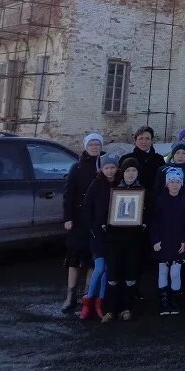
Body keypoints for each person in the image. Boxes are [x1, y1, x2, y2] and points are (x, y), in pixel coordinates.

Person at [101, 157, 147, 323]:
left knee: (130, 273)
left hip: (133, 239)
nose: (131, 174)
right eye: (127, 170)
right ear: (122, 172)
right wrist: (107, 224)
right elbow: (106, 211)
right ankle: (111, 309)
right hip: (115, 238)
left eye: (134, 170)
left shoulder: (142, 191)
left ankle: (127, 308)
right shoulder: (114, 190)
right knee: (113, 274)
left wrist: (143, 223)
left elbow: (146, 213)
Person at [61, 132, 102, 313]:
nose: (94, 147)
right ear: (86, 146)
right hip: (78, 219)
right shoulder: (76, 167)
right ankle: (71, 295)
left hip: (96, 219)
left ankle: (88, 295)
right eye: (91, 144)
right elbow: (68, 194)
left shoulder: (104, 165)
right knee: (74, 260)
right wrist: (68, 218)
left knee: (92, 260)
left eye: (97, 144)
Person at [78, 152, 118, 320]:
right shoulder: (96, 184)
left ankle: (100, 302)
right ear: (101, 168)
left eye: (112, 167)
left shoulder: (118, 184)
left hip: (113, 233)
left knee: (107, 270)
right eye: (106, 167)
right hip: (98, 233)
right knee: (99, 268)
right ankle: (88, 301)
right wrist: (92, 228)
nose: (109, 171)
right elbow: (86, 208)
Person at [150, 167, 185, 316]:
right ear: (167, 184)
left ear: (182, 184)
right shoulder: (160, 200)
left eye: (177, 182)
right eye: (172, 181)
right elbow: (154, 222)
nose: (174, 184)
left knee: (175, 272)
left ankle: (175, 300)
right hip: (163, 241)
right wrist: (155, 240)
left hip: (178, 242)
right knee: (163, 271)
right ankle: (163, 301)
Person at [127, 126, 166, 198]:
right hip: (133, 198)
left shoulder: (159, 159)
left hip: (153, 200)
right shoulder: (126, 159)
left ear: (151, 141)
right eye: (141, 138)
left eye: (147, 138)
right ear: (135, 141)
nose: (144, 141)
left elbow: (163, 181)